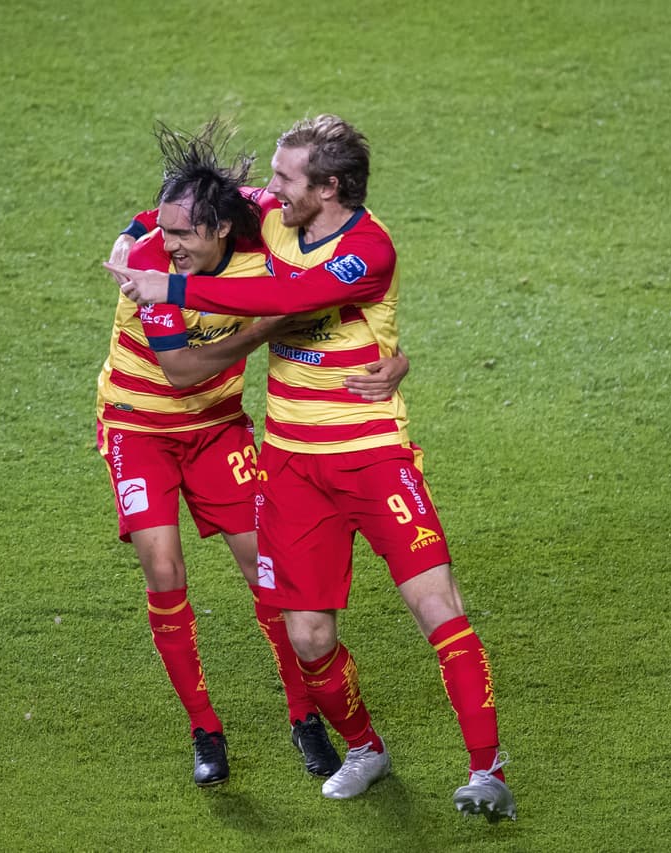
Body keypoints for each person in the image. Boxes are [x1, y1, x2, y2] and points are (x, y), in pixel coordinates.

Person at [106, 114, 517, 822]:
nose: (270, 189)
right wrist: (133, 229)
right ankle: (364, 748)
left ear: (328, 187)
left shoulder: (368, 249)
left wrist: (170, 288)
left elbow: (291, 299)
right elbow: (205, 200)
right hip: (292, 468)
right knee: (309, 637)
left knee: (438, 607)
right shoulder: (274, 218)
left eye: (285, 177)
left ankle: (488, 771)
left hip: (373, 458)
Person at [96, 121, 408, 788]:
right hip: (139, 429)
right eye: (163, 231)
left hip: (218, 429)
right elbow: (182, 371)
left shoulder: (260, 231)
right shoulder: (150, 266)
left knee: (270, 575)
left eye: (184, 233)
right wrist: (265, 327)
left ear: (220, 228)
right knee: (163, 567)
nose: (169, 243)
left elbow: (321, 260)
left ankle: (305, 716)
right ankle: (205, 729)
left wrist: (397, 357)